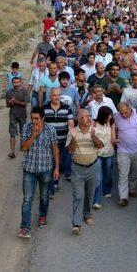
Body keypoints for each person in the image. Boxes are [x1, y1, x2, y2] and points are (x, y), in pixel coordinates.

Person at [18, 107, 59, 239]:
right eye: (32, 118)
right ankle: (25, 228)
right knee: (27, 199)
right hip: (29, 169)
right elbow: (23, 148)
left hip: (45, 169)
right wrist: (34, 135)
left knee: (44, 196)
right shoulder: (26, 127)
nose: (34, 121)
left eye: (36, 118)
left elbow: (55, 149)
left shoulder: (50, 129)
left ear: (43, 118)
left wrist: (57, 168)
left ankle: (42, 216)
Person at [67, 109, 104, 235]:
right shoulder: (73, 132)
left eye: (88, 116)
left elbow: (100, 146)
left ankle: (87, 214)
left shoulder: (95, 130)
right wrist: (73, 139)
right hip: (77, 168)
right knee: (78, 195)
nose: (88, 119)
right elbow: (70, 150)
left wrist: (93, 137)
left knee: (89, 194)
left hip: (93, 167)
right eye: (84, 117)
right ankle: (76, 223)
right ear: (79, 119)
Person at [43, 87, 74, 194]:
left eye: (58, 95)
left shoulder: (67, 108)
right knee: (50, 164)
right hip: (48, 143)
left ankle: (55, 182)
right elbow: (41, 124)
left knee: (59, 164)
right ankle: (52, 187)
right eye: (54, 95)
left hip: (62, 142)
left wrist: (71, 139)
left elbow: (71, 124)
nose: (57, 97)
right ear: (50, 96)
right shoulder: (44, 108)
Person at [114, 102, 137, 206]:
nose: (123, 115)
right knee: (123, 173)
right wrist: (114, 139)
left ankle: (132, 188)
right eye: (121, 113)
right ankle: (123, 197)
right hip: (123, 149)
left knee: (135, 170)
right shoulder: (116, 116)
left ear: (130, 108)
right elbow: (113, 129)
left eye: (125, 112)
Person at [92, 106, 117, 210]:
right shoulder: (94, 123)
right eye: (108, 115)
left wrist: (117, 141)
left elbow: (113, 139)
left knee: (107, 174)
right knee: (98, 178)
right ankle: (96, 201)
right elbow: (91, 137)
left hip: (109, 153)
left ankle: (107, 190)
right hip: (97, 153)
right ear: (103, 115)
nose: (110, 116)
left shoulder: (111, 123)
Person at [6, 76, 29, 159]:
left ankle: (22, 147)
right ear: (12, 83)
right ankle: (12, 152)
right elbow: (7, 105)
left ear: (20, 82)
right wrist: (10, 102)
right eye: (14, 82)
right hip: (13, 114)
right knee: (12, 134)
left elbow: (26, 103)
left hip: (22, 115)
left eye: (17, 82)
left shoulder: (24, 91)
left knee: (23, 132)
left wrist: (15, 101)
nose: (16, 84)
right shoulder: (9, 92)